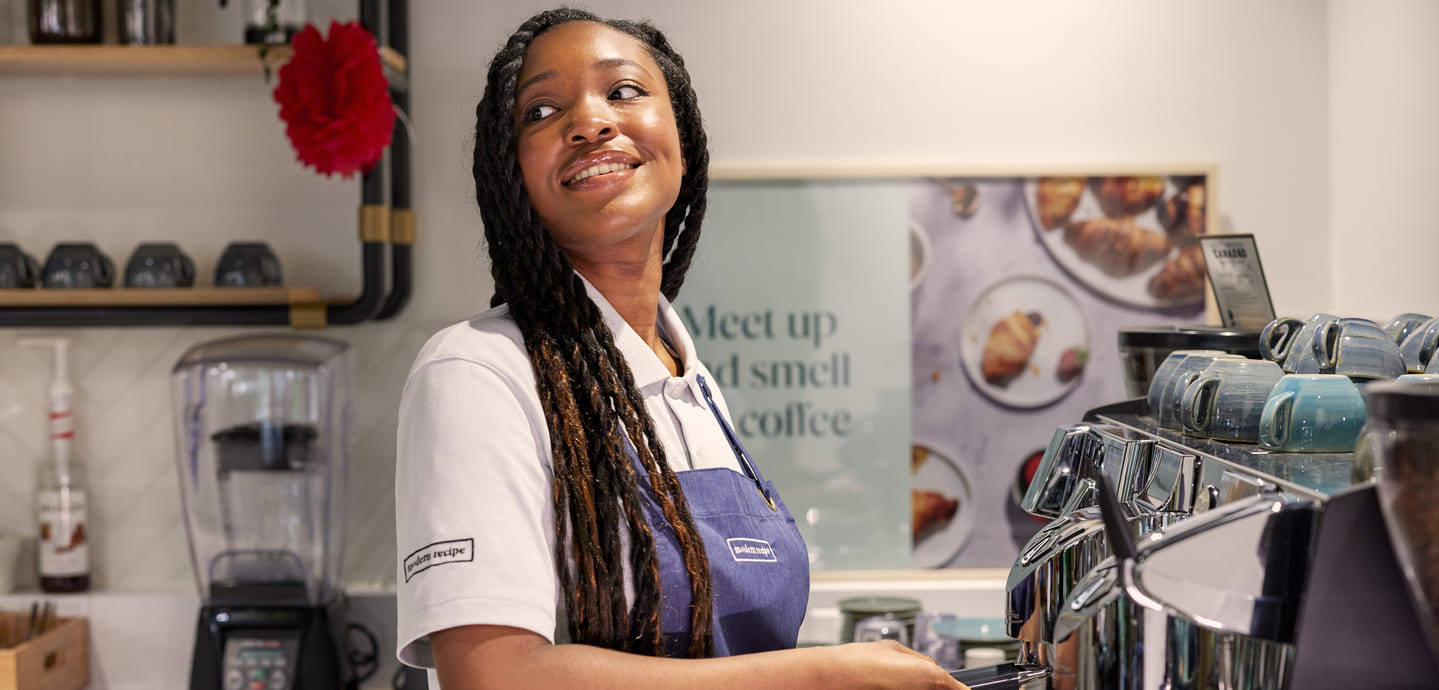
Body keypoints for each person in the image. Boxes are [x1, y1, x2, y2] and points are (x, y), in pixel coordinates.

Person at [394, 8, 968, 689]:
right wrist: (822, 677)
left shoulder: (690, 387)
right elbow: (496, 676)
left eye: (624, 91)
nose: (589, 121)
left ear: (683, 138)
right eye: (542, 109)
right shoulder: (478, 372)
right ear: (510, 173)